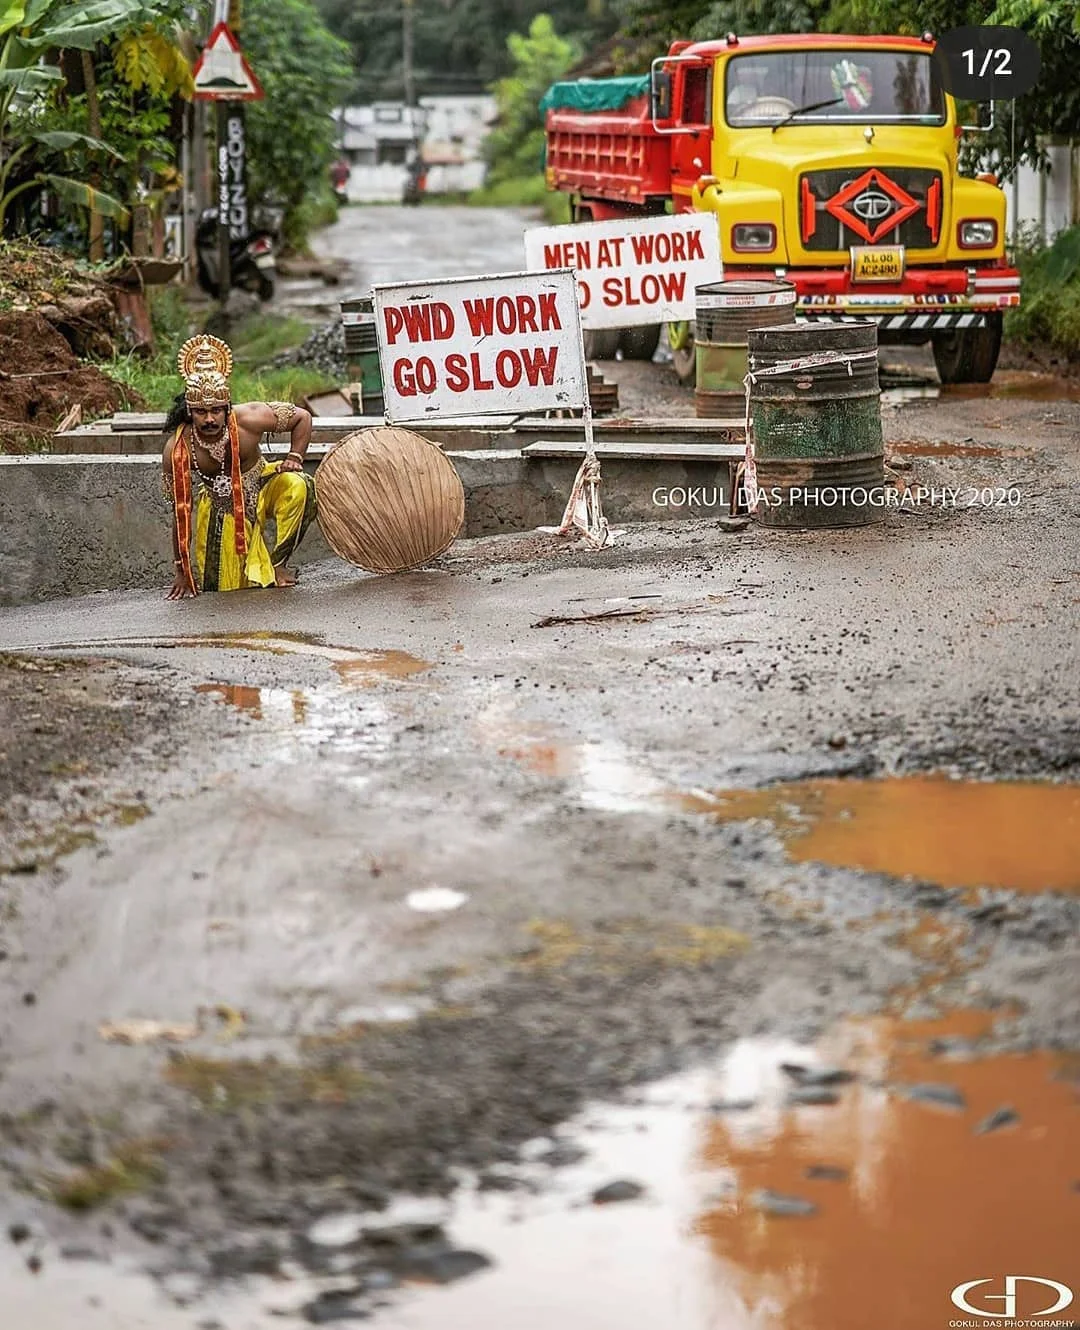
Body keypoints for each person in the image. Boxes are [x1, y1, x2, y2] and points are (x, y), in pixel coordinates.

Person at [161, 334, 317, 599]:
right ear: (189, 410)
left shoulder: (249, 419)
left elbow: (303, 417)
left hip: (263, 483)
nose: (209, 419)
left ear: (227, 407)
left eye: (216, 411)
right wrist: (180, 569)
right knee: (227, 589)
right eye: (201, 412)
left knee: (300, 485)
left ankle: (279, 565)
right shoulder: (177, 450)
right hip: (221, 505)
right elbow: (180, 512)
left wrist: (295, 458)